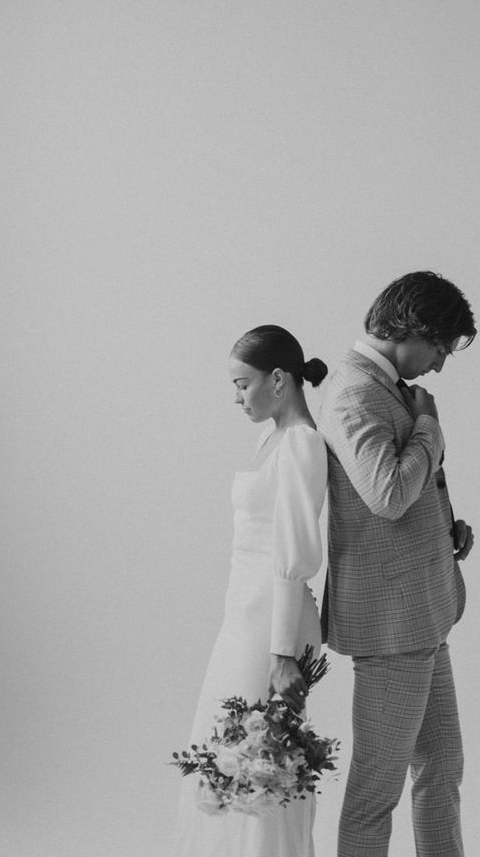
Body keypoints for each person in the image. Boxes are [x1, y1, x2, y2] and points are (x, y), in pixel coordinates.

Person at [319, 271, 477, 857]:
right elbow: (386, 495)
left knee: (441, 771)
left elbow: (396, 499)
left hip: (422, 615)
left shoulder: (382, 390)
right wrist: (430, 426)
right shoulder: (354, 393)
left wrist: (444, 530)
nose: (439, 365)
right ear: (414, 328)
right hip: (392, 625)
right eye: (441, 347)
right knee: (374, 795)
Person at [173, 325, 328, 857]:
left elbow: (294, 558)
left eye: (243, 384)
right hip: (244, 614)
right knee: (233, 758)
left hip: (272, 626)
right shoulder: (272, 437)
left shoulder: (304, 445)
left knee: (264, 765)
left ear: (279, 379)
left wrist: (282, 653)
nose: (236, 397)